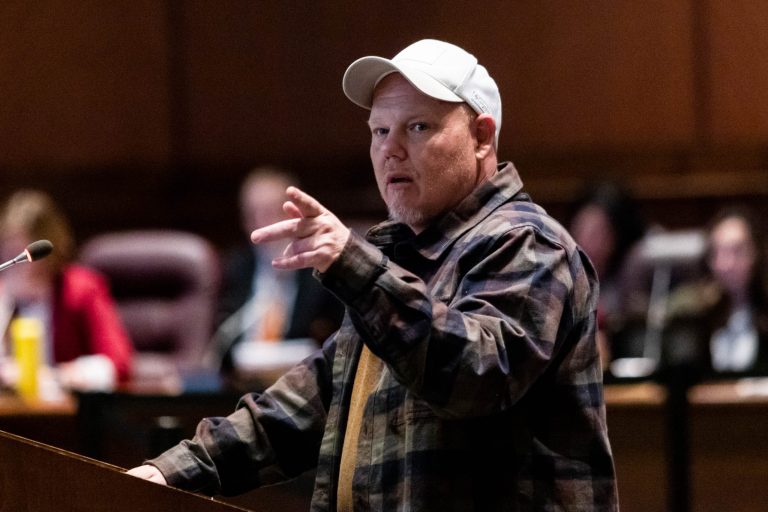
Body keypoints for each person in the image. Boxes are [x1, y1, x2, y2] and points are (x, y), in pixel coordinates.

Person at [128, 39, 618, 510]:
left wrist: (355, 266)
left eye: (418, 127)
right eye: (380, 131)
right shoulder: (404, 259)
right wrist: (169, 472)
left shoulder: (528, 243)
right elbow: (307, 405)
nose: (391, 150)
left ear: (481, 137)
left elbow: (476, 376)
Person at [210, 167, 344, 375]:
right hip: (244, 380)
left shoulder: (320, 268)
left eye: (271, 212)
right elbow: (224, 340)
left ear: (295, 215)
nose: (261, 223)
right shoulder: (236, 268)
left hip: (307, 378)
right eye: (252, 215)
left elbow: (335, 340)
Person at [0, 189, 133, 391]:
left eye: (19, 252)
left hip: (65, 406)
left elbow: (119, 365)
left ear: (44, 254)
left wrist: (52, 376)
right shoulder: (3, 294)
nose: (12, 261)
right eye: (6, 250)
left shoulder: (81, 290)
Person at [667, 206, 768, 377]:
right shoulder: (694, 310)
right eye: (717, 252)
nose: (725, 264)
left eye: (737, 251)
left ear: (758, 252)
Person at [568, 182, 647, 367]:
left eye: (599, 232)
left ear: (617, 236)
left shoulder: (633, 279)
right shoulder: (560, 279)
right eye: (582, 229)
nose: (587, 240)